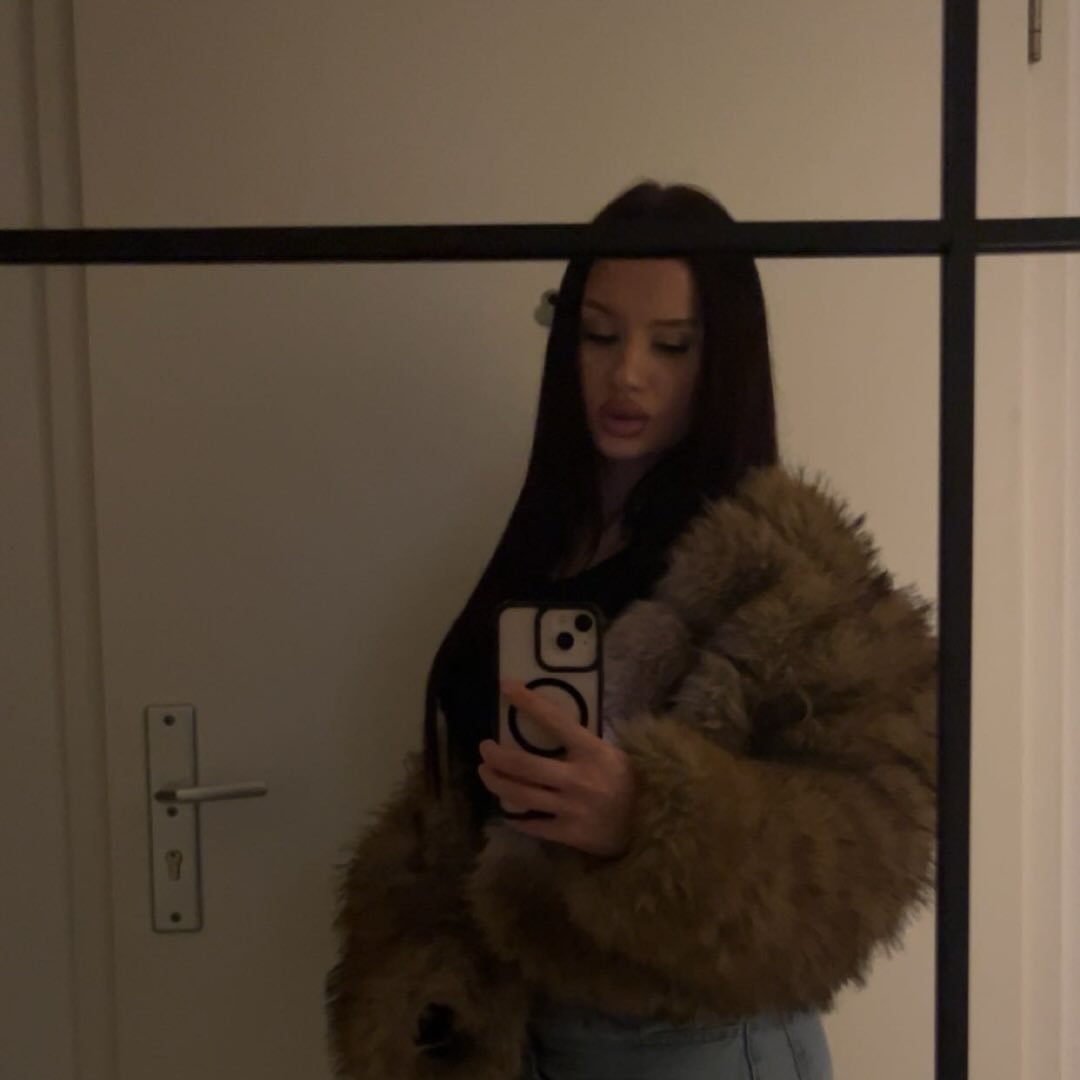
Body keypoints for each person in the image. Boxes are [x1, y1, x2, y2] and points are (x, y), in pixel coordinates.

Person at [325, 181, 937, 1080]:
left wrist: (649, 822)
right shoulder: (548, 539)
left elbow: (875, 852)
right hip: (533, 1026)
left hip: (691, 1048)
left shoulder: (785, 569)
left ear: (722, 356)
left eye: (671, 344)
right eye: (599, 335)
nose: (628, 374)